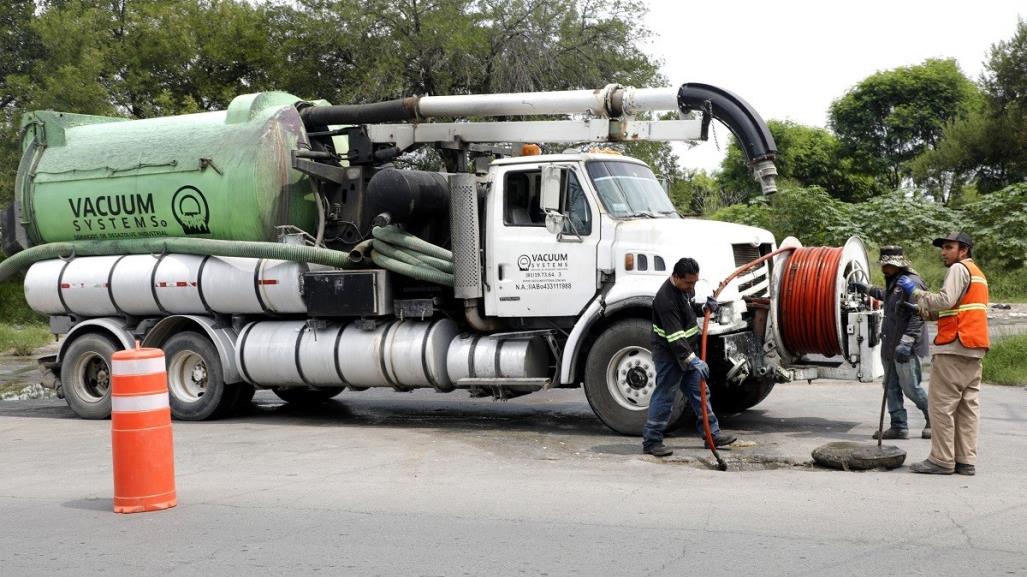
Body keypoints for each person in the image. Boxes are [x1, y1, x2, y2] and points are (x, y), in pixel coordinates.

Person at [896, 232, 988, 476]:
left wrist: (916, 293)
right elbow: (954, 309)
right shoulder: (978, 275)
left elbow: (946, 300)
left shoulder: (959, 269)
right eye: (943, 248)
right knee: (967, 408)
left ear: (963, 251)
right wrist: (920, 310)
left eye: (949, 247)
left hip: (953, 347)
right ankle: (965, 460)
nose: (943, 252)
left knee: (942, 406)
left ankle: (941, 459)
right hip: (974, 348)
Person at [643, 257, 736, 457]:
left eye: (695, 282)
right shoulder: (665, 300)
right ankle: (651, 441)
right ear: (676, 277)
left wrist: (703, 309)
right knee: (665, 396)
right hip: (669, 355)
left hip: (686, 352)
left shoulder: (684, 289)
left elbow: (686, 311)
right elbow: (675, 338)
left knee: (701, 392)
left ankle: (712, 435)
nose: (692, 286)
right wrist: (693, 359)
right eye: (689, 282)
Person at [849, 246, 930, 440]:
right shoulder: (895, 282)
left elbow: (919, 315)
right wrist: (865, 288)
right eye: (883, 264)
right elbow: (887, 295)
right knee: (890, 386)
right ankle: (899, 426)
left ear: (898, 265)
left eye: (888, 265)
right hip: (890, 343)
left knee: (911, 387)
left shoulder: (912, 282)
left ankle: (935, 419)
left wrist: (907, 342)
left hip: (905, 346)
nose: (884, 268)